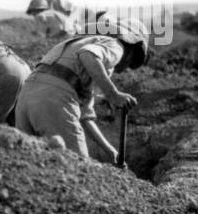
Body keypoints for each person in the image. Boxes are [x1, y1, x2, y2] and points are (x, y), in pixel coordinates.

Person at [14, 17, 149, 163]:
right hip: (54, 99)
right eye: (131, 61)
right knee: (79, 168)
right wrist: (113, 94)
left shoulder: (80, 44)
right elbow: (88, 55)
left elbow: (85, 115)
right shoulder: (115, 45)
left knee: (32, 164)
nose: (123, 69)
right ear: (131, 47)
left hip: (25, 97)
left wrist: (109, 150)